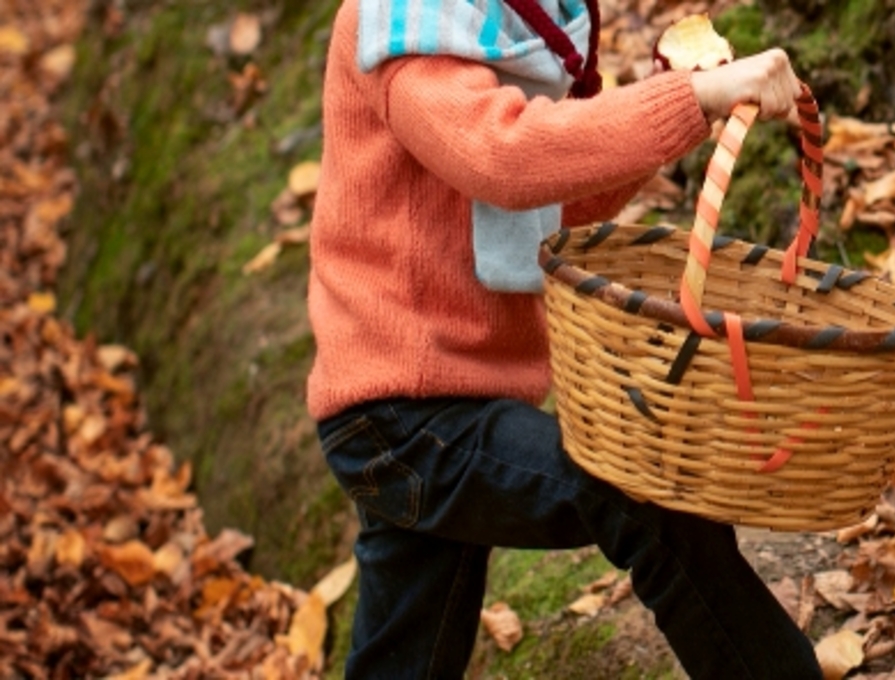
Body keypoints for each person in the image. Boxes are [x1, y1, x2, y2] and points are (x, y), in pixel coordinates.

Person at [306, 0, 823, 677]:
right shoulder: (407, 22)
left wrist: (682, 110)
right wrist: (688, 99)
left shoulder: (506, 23)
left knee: (407, 654)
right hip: (400, 413)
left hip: (455, 401)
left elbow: (549, 204)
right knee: (645, 499)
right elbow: (502, 157)